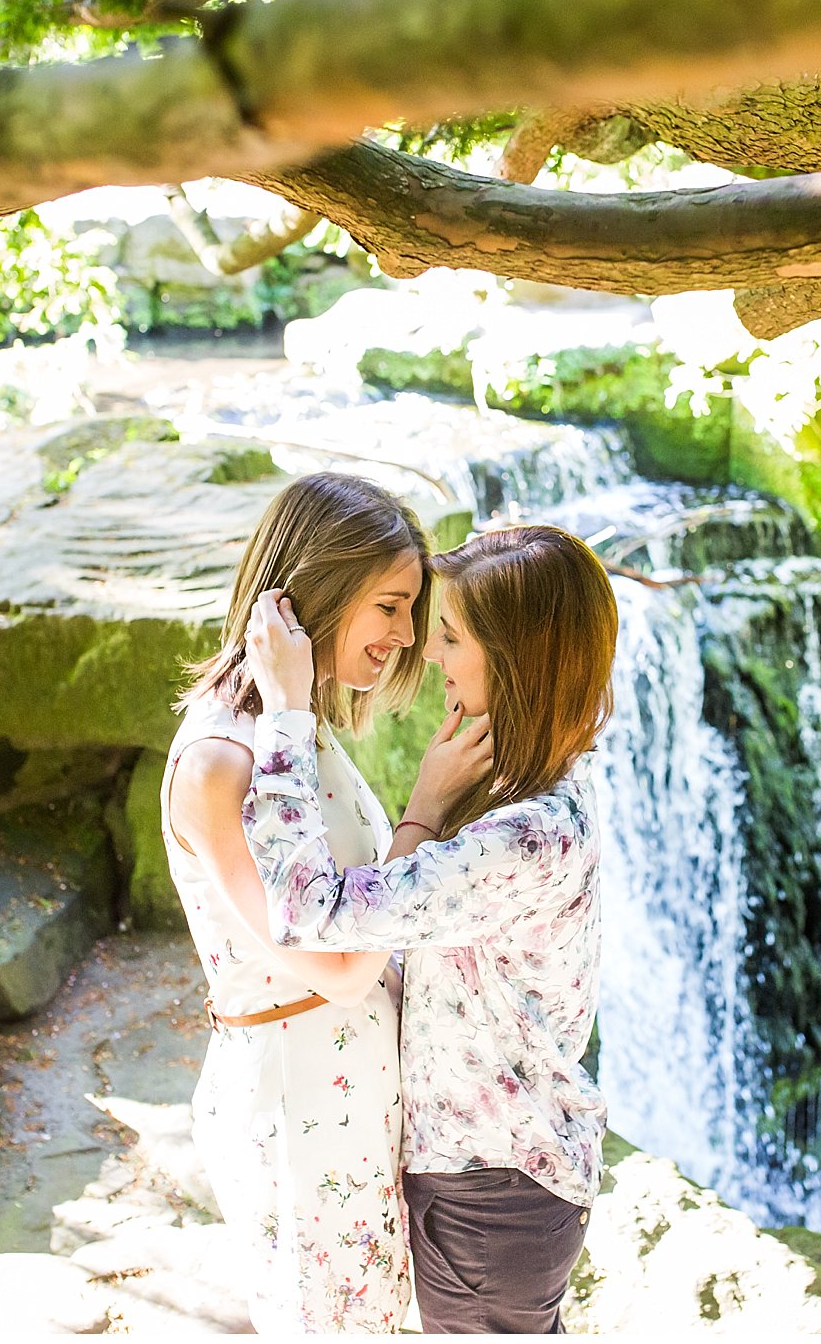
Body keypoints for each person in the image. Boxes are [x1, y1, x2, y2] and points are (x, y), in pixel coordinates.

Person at [241, 523, 617, 1334]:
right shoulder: (537, 785)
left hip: (492, 1199)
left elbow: (314, 912)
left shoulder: (522, 839)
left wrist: (286, 714)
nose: (432, 655)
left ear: (515, 658)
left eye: (450, 636)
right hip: (508, 1189)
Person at [159, 471, 431, 1333]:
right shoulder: (221, 762)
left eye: (412, 609)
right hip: (301, 1110)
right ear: (318, 588)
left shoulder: (296, 729)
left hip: (349, 1102)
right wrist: (427, 821)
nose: (407, 633)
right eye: (390, 606)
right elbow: (338, 966)